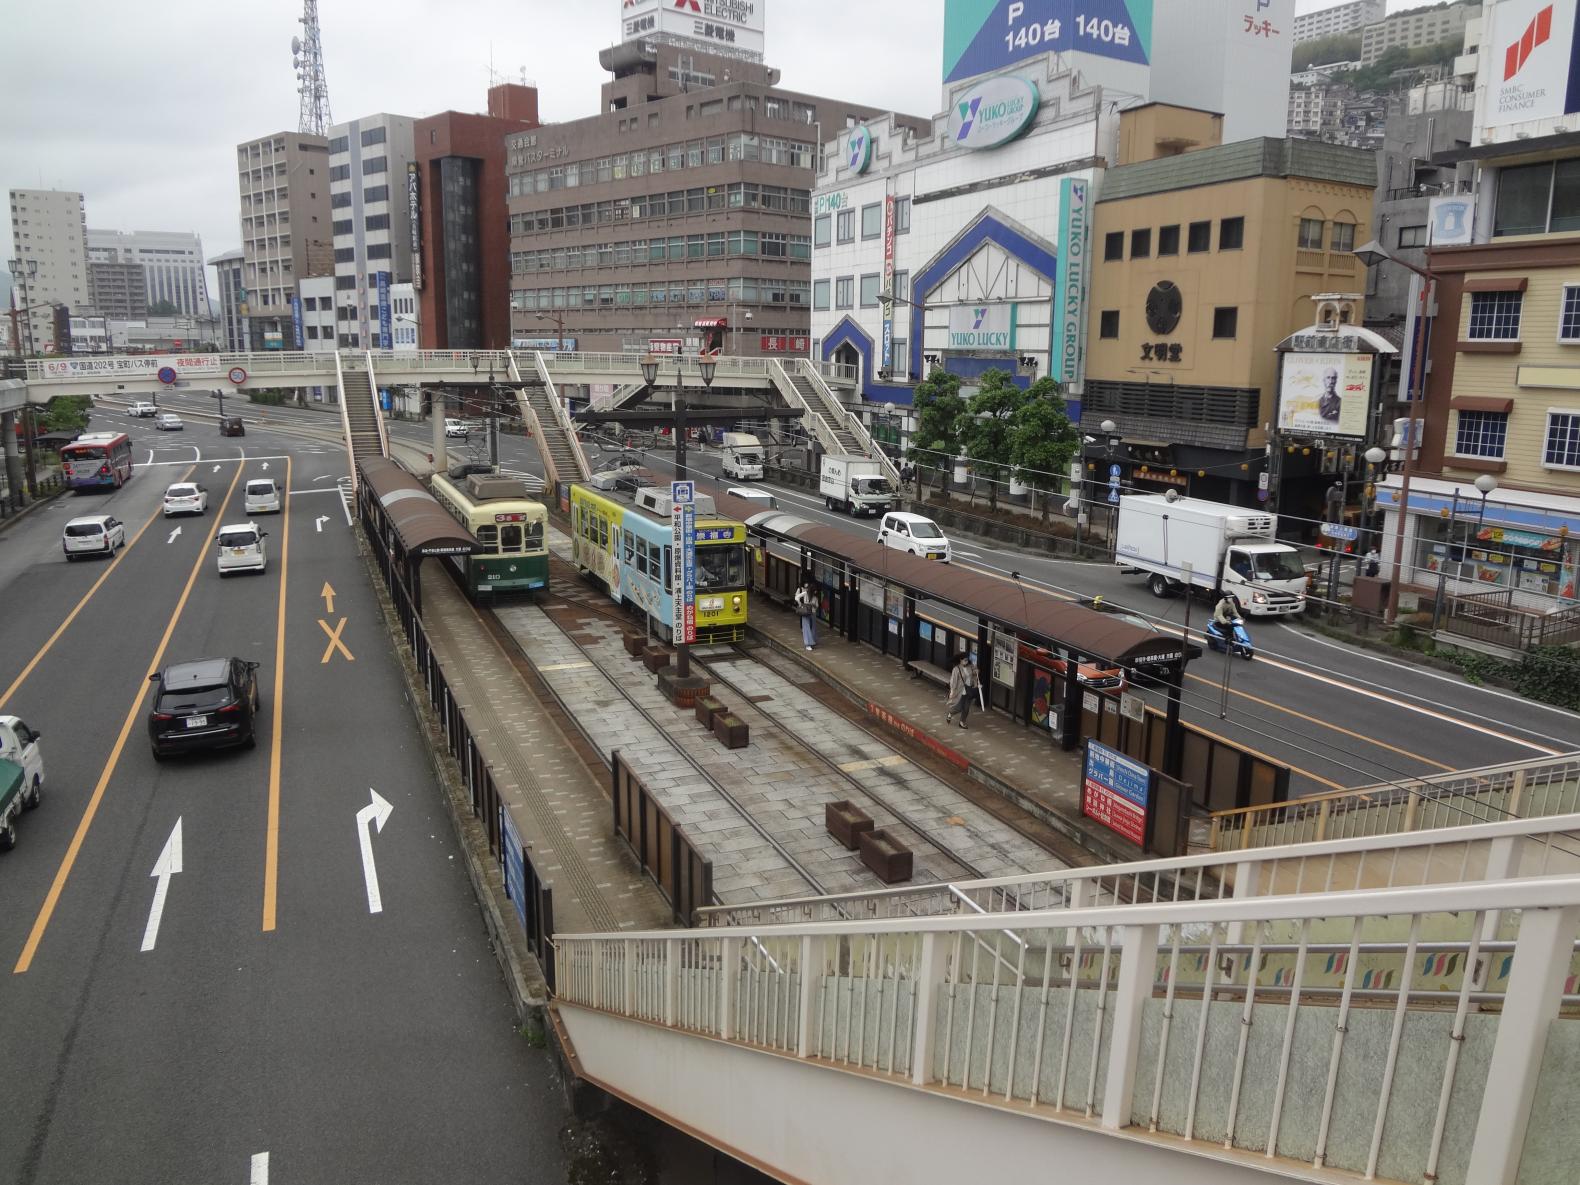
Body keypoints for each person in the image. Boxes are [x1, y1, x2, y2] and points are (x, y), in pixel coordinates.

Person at [945, 653, 979, 729]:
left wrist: (976, 672)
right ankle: (950, 713)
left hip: (969, 690)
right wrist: (952, 691)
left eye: (967, 660)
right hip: (960, 691)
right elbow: (953, 681)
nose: (966, 661)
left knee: (966, 708)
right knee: (959, 707)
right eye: (965, 660)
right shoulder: (956, 669)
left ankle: (962, 722)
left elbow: (974, 674)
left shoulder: (970, 667)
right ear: (960, 660)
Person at [794, 580, 818, 650]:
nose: (815, 592)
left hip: (812, 612)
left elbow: (817, 606)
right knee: (806, 628)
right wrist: (800, 604)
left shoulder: (815, 596)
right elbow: (796, 597)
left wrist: (813, 604)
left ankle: (812, 642)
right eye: (814, 591)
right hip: (806, 612)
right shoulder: (805, 593)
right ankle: (808, 644)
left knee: (813, 627)